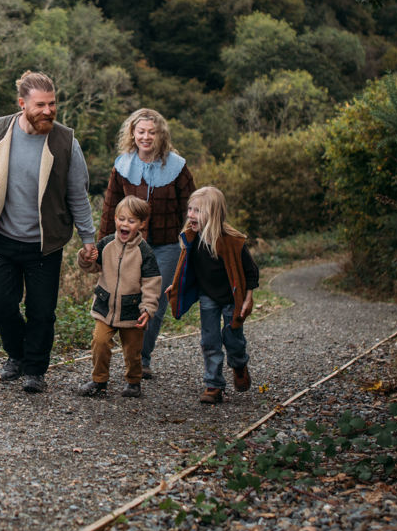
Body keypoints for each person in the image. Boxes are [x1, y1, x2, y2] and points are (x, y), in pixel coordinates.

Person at [0, 71, 97, 393]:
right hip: (4, 238)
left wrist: (88, 238)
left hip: (45, 244)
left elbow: (78, 195)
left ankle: (35, 370)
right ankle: (17, 354)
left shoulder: (66, 141)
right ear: (22, 103)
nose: (48, 111)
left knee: (42, 312)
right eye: (41, 105)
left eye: (53, 104)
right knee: (0, 305)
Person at [98, 109, 194, 380]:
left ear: (161, 134)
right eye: (141, 131)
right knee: (129, 297)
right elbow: (110, 207)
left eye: (152, 132)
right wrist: (101, 245)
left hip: (167, 245)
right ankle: (131, 356)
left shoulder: (177, 166)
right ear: (133, 134)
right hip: (130, 246)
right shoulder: (122, 165)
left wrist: (193, 244)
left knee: (155, 302)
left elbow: (191, 206)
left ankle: (142, 358)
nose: (146, 137)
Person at [164, 186, 259, 404]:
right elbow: (186, 269)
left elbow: (251, 271)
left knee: (232, 338)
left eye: (197, 211)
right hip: (208, 296)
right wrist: (176, 286)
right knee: (209, 340)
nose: (190, 215)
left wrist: (248, 297)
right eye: (189, 209)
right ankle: (214, 384)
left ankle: (239, 363)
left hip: (232, 298)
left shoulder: (233, 241)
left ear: (213, 214)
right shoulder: (191, 238)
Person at [75, 196, 160, 398]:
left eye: (131, 221)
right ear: (115, 219)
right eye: (121, 219)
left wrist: (148, 309)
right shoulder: (106, 244)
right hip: (106, 308)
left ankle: (133, 381)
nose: (125, 224)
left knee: (132, 351)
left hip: (132, 311)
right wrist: (85, 258)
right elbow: (92, 267)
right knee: (100, 342)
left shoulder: (144, 252)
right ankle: (99, 380)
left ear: (141, 224)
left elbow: (151, 283)